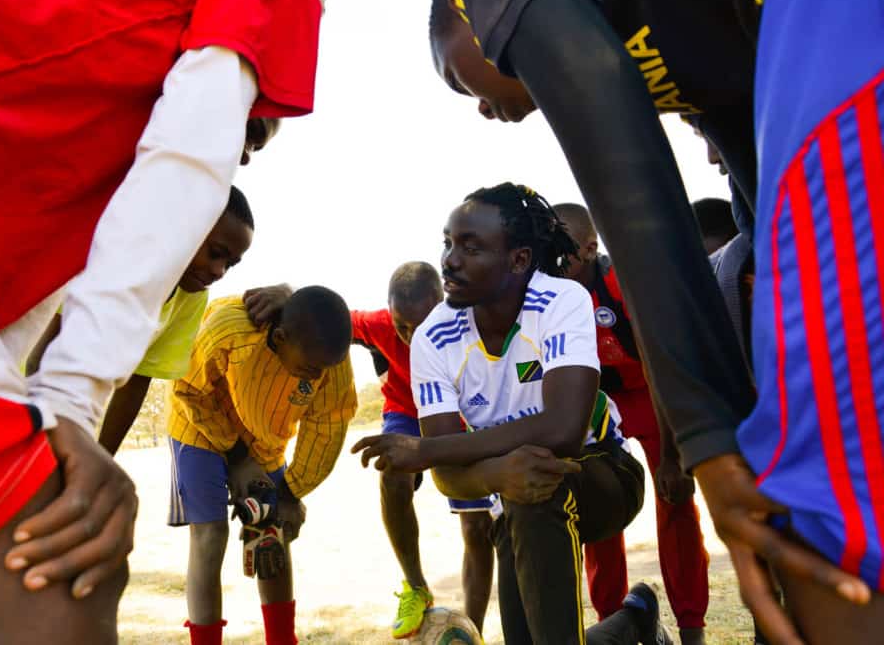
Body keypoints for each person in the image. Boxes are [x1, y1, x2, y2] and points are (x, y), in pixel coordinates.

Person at [0, 0, 330, 642]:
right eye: (251, 124)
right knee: (56, 569)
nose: (243, 150)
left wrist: (44, 415)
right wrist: (66, 406)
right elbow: (191, 155)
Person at [426, 0, 879, 640]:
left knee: (826, 504)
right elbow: (764, 217)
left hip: (837, 8)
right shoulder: (695, 45)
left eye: (457, 77)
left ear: (473, 13)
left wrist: (708, 438)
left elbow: (631, 186)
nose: (481, 107)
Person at [353, 184, 665, 645]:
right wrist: (494, 471)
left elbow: (563, 430)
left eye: (470, 247)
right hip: (510, 501)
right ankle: (635, 619)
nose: (450, 261)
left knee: (534, 488)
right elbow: (448, 477)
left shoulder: (561, 302)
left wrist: (429, 449)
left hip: (602, 472)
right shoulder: (433, 337)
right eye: (448, 243)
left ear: (519, 261)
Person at [245, 263, 497, 639]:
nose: (412, 336)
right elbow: (322, 315)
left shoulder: (468, 326)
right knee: (391, 474)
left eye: (421, 325)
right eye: (402, 326)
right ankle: (415, 586)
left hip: (457, 420)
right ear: (389, 312)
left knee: (477, 529)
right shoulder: (377, 325)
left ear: (442, 305)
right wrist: (287, 290)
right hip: (406, 414)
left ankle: (471, 632)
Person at [555, 203, 709, 645]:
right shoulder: (544, 295)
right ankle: (613, 622)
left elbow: (664, 361)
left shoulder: (622, 283)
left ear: (590, 247)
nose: (554, 259)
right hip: (601, 401)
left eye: (565, 250)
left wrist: (675, 456)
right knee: (599, 508)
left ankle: (691, 627)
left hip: (653, 393)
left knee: (676, 500)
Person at [167, 287, 357, 645]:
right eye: (308, 368)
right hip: (199, 427)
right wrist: (238, 459)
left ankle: (283, 640)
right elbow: (190, 389)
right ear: (281, 338)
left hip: (264, 439)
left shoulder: (329, 360)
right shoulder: (230, 331)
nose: (316, 378)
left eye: (323, 370)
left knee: (274, 532)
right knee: (210, 536)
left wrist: (289, 493)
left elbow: (327, 429)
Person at [24, 185, 256, 455]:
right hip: (16, 396)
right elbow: (38, 360)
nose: (219, 271)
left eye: (230, 263)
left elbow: (137, 382)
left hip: (66, 416)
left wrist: (103, 456)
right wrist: (54, 446)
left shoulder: (191, 298)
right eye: (215, 253)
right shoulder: (113, 259)